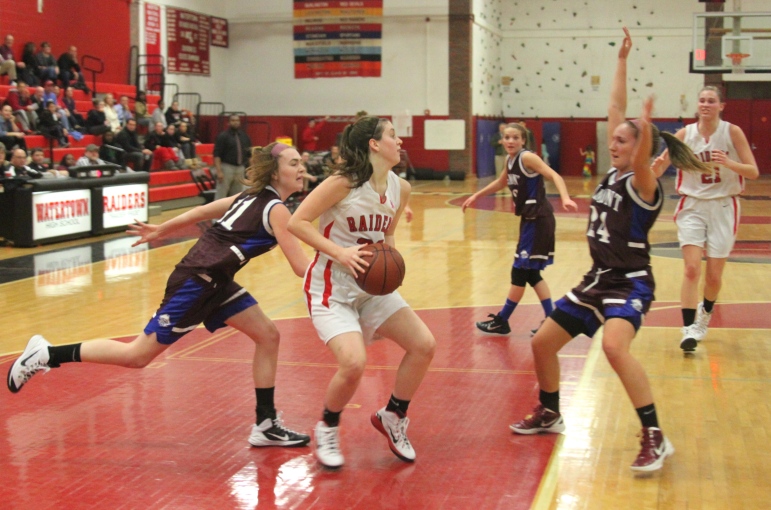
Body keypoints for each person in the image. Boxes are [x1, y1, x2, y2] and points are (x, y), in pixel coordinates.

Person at [7, 142, 312, 449]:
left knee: (268, 335)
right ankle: (47, 354)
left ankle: (266, 423)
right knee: (137, 356)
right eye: (294, 163)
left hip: (216, 281)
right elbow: (301, 268)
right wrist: (344, 260)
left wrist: (161, 230)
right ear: (275, 173)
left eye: (301, 162)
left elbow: (203, 210)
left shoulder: (253, 197)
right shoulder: (277, 210)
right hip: (197, 283)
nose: (301, 168)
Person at [508, 28, 709, 474]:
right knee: (542, 344)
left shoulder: (644, 182)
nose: (611, 143)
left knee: (616, 349)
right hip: (596, 281)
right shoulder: (613, 174)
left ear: (642, 150)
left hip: (631, 282)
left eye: (622, 140)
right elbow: (615, 109)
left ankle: (654, 435)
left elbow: (639, 147)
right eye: (613, 139)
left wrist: (646, 121)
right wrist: (622, 60)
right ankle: (551, 410)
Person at [287, 116, 436, 469]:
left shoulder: (401, 188)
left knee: (424, 345)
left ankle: (393, 416)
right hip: (332, 287)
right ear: (373, 144)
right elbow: (297, 223)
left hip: (372, 287)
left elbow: (387, 237)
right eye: (392, 136)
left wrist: (392, 269)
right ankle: (328, 424)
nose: (399, 142)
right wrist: (340, 252)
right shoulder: (343, 183)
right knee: (353, 363)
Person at [655, 87, 759, 353]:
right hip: (692, 204)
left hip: (724, 206)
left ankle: (706, 312)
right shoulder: (684, 135)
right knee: (691, 269)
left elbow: (753, 172)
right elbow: (660, 167)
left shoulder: (731, 132)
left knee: (713, 277)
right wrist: (655, 166)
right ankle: (689, 328)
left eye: (711, 101)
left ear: (721, 106)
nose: (705, 104)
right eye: (702, 100)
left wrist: (729, 163)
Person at [462, 123, 577, 336]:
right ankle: (550, 321)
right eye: (507, 137)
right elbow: (500, 182)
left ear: (523, 140)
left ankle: (502, 320)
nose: (511, 141)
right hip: (529, 220)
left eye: (515, 137)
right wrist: (476, 196)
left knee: (519, 272)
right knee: (531, 273)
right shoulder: (510, 160)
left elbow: (555, 176)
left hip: (539, 220)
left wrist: (565, 197)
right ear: (502, 140)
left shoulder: (527, 158)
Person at [213, 115, 252, 199]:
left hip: (240, 168)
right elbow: (217, 155)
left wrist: (251, 169)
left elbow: (249, 154)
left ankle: (234, 211)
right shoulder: (223, 136)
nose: (235, 122)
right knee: (221, 193)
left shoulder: (244, 136)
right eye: (233, 120)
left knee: (237, 195)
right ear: (229, 122)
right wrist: (219, 171)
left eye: (237, 120)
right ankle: (218, 211)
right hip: (227, 167)